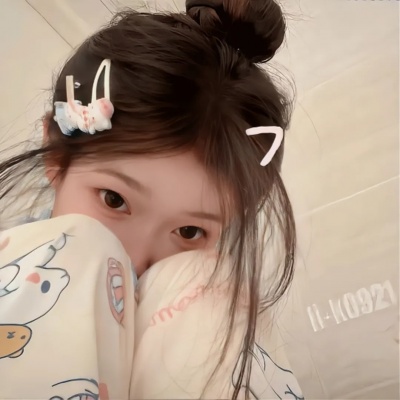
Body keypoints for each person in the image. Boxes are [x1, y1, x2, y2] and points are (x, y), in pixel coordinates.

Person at [0, 0, 299, 398]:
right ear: (56, 157)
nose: (136, 259)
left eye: (189, 231)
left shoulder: (203, 307)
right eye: (113, 199)